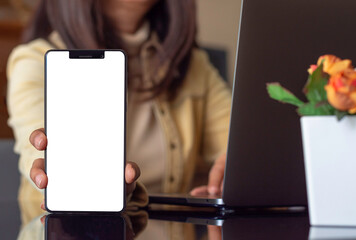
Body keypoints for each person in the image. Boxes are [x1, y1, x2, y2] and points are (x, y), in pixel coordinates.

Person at [7, 0, 231, 224]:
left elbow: (237, 142)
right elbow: (34, 155)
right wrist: (47, 167)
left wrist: (235, 164)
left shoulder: (192, 64)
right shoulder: (35, 61)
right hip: (62, 230)